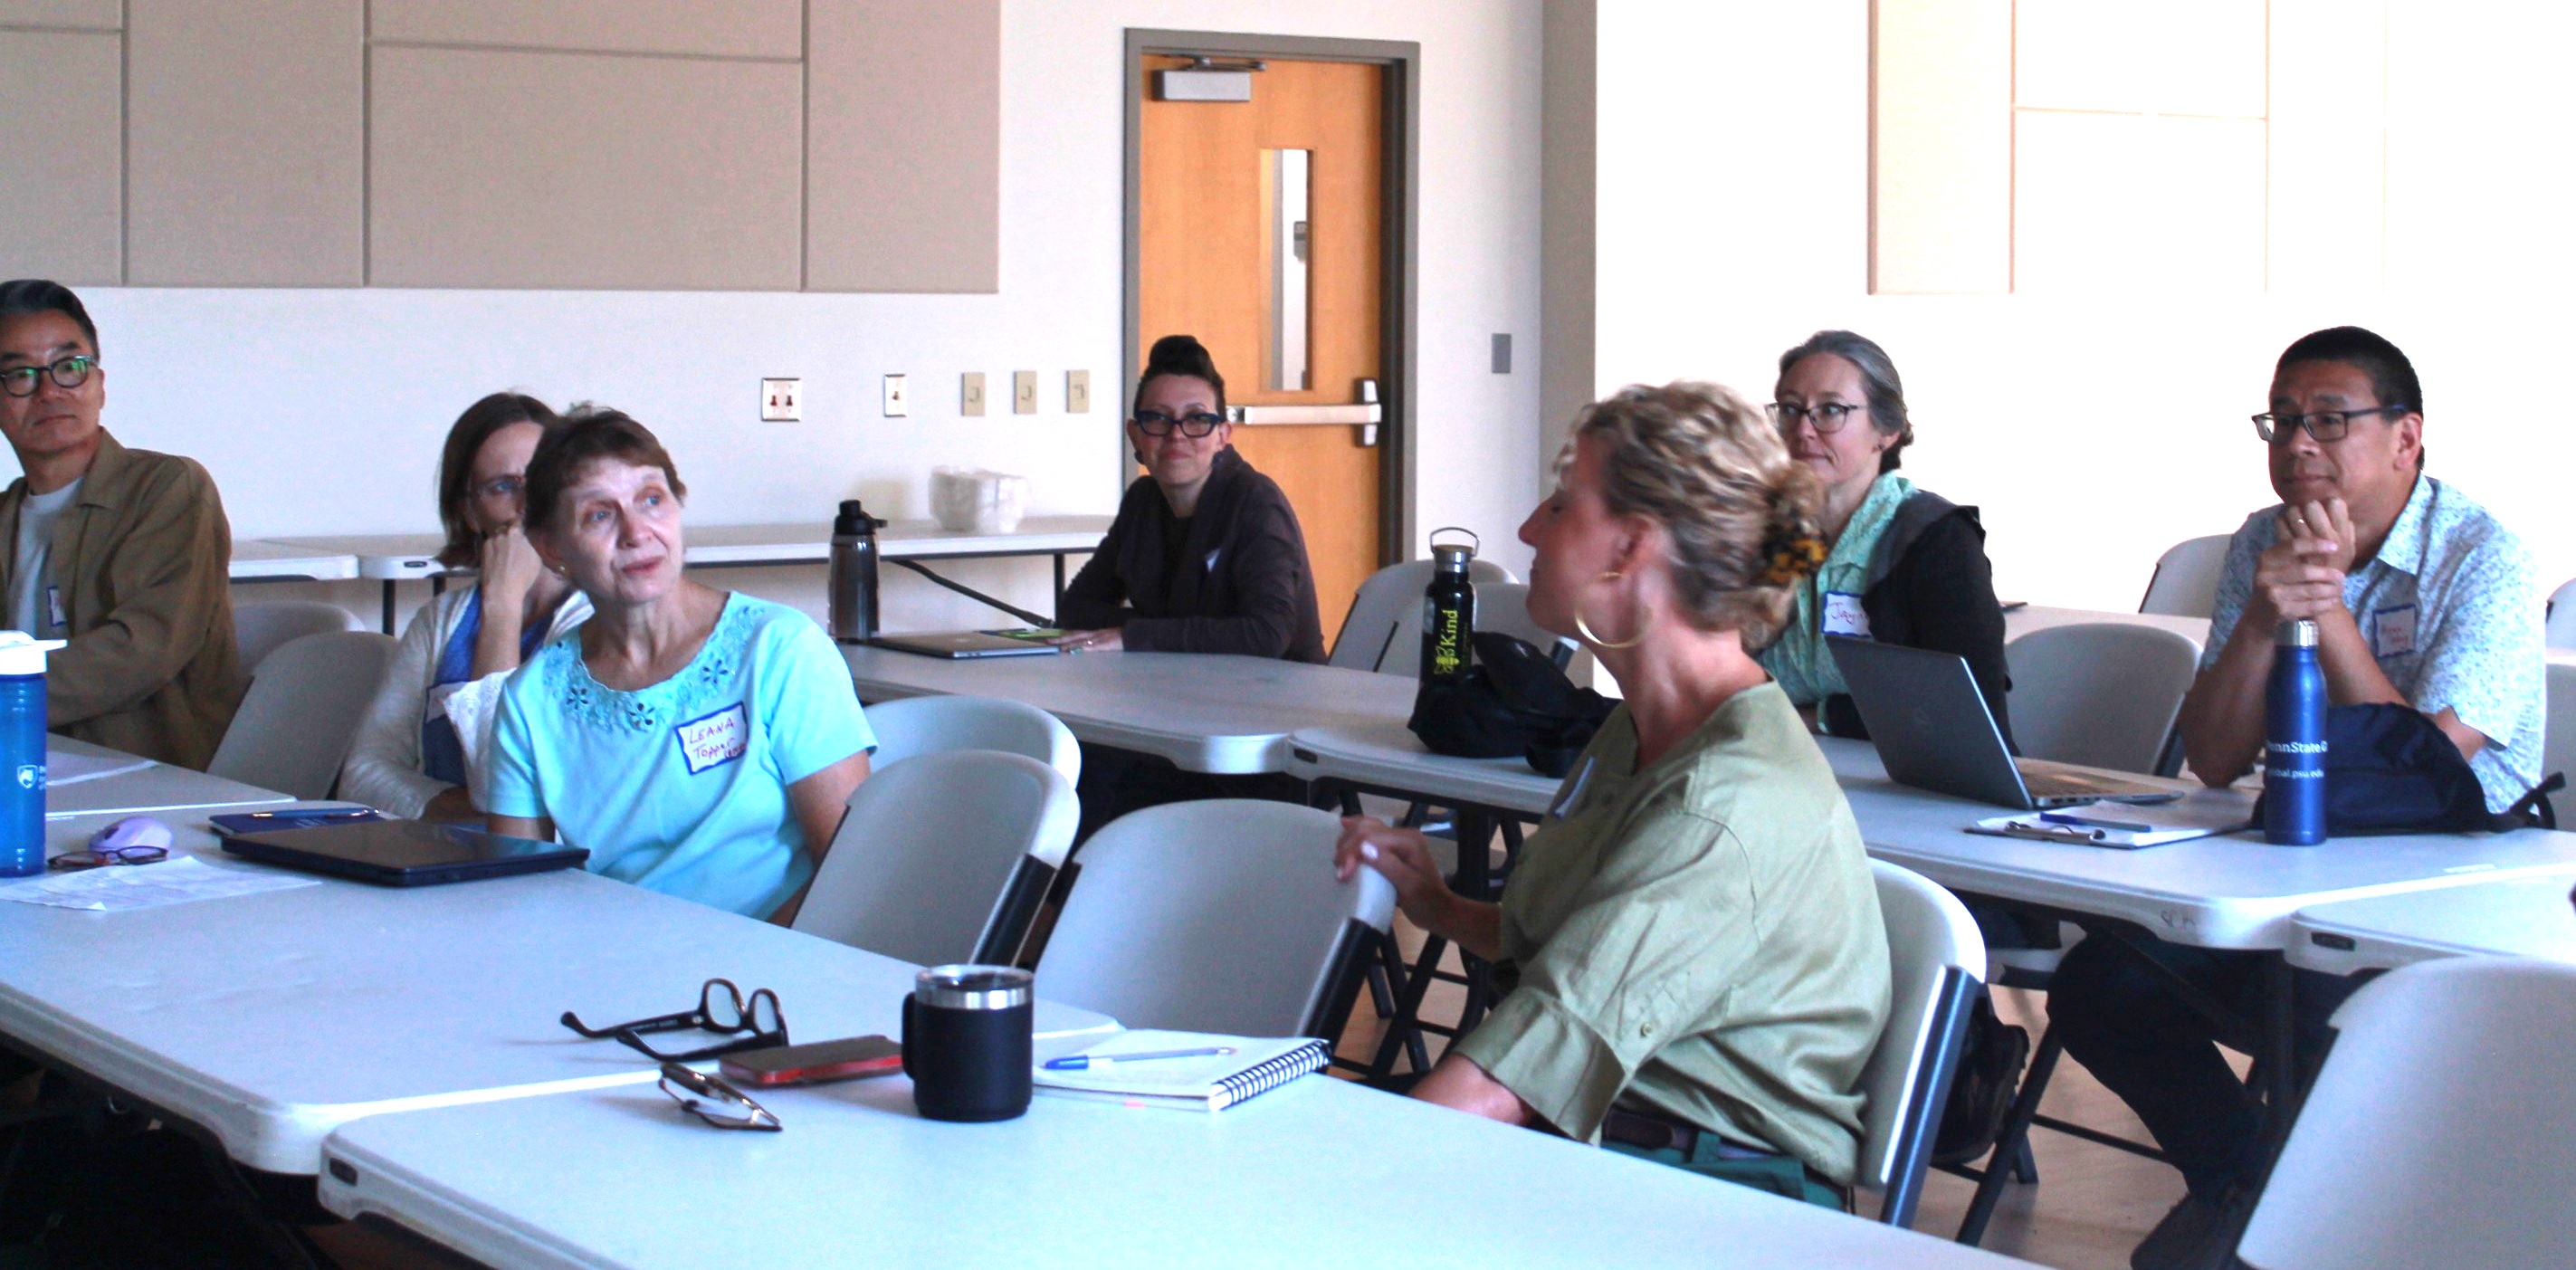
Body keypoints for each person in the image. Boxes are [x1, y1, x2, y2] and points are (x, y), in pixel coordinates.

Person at [2051, 326, 2543, 1270]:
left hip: (2449, 887)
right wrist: (2260, 614)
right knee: (2099, 984)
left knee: (2323, 1007)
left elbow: (2425, 768)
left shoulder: (2484, 555)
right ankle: (2251, 1186)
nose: (2297, 445)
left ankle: (2291, 1221)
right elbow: (2213, 753)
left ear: (2405, 438)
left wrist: (2325, 612)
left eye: (2326, 419)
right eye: (2279, 421)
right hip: (2295, 859)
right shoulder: (2257, 540)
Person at [1336, 381, 1891, 1207]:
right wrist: (1441, 904)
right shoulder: (1640, 731)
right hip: (1600, 1147)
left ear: (1629, 547)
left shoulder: (1724, 802)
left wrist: (1313, 1189)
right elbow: (1590, 961)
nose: (1528, 527)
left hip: (1704, 1202)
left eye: (1561, 506)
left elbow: (1510, 1081)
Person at [484, 406, 873, 921]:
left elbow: (851, 872)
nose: (637, 532)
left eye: (651, 500)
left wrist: (724, 967)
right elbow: (517, 899)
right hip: (618, 970)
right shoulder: (531, 700)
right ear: (552, 547)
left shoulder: (779, 650)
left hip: (772, 971)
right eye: (599, 514)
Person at [0, 280, 242, 769]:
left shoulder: (168, 487)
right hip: (22, 770)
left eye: (70, 368)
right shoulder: (5, 516)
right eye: (20, 375)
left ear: (100, 384)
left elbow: (142, 652)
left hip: (144, 780)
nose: (49, 392)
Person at [340, 394, 593, 820]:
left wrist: (504, 605)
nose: (527, 505)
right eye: (503, 487)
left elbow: (507, 787)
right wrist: (476, 816)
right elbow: (362, 776)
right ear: (470, 511)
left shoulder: (599, 618)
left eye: (543, 480)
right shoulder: (441, 621)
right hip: (447, 860)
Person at [1758, 329, 2009, 741]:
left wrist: (1814, 718)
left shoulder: (1934, 540)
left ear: (1886, 430)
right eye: (1789, 409)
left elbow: (1968, 710)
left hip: (1907, 780)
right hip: (1770, 760)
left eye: (1831, 410)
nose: (1802, 430)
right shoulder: (1765, 531)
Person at [1053, 334, 1325, 661]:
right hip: (1174, 686)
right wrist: (1163, 633)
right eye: (1157, 418)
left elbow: (1266, 634)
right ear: (1135, 435)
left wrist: (1139, 635)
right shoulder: (1142, 500)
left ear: (1223, 436)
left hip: (1275, 698)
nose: (1176, 435)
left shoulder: (1255, 502)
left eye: (1197, 419)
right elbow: (1076, 609)